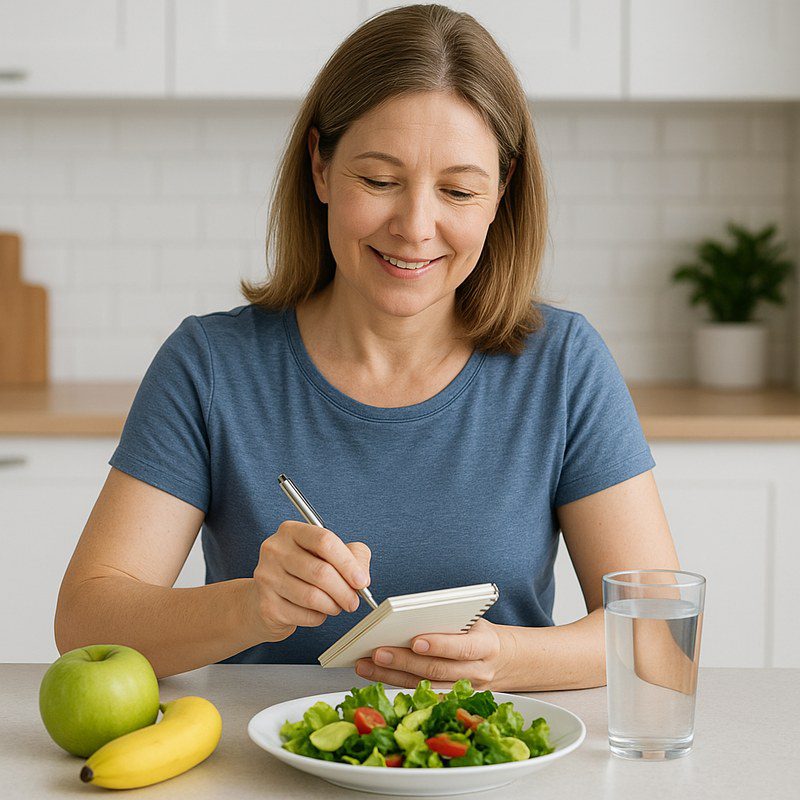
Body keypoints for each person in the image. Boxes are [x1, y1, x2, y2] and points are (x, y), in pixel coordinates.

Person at [54, 4, 679, 689]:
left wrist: (502, 659)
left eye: (459, 189)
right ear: (321, 168)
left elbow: (655, 633)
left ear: (502, 191)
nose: (415, 226)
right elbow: (86, 622)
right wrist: (251, 607)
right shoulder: (211, 364)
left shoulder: (563, 365)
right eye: (379, 180)